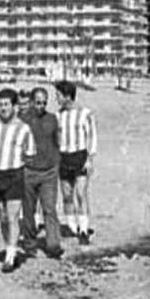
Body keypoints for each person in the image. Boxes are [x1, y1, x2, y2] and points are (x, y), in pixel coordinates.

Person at [0, 88, 37, 273]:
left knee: (13, 215)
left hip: (14, 174)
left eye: (7, 104)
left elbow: (30, 154)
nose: (3, 108)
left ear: (14, 106)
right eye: (0, 105)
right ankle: (9, 245)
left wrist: (18, 165)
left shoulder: (23, 128)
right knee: (2, 215)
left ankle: (10, 256)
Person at [20, 87, 62, 258]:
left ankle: (53, 244)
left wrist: (56, 163)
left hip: (49, 172)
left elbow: (57, 142)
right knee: (28, 210)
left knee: (50, 208)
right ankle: (30, 243)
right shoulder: (23, 120)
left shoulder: (52, 119)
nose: (41, 106)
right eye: (38, 102)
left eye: (44, 103)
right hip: (28, 171)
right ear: (31, 102)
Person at [55, 80, 98, 246]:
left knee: (81, 193)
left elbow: (92, 136)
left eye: (58, 95)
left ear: (67, 96)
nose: (56, 99)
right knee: (67, 195)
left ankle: (84, 229)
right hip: (63, 157)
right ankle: (72, 227)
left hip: (80, 156)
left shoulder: (85, 113)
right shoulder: (58, 116)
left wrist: (90, 159)